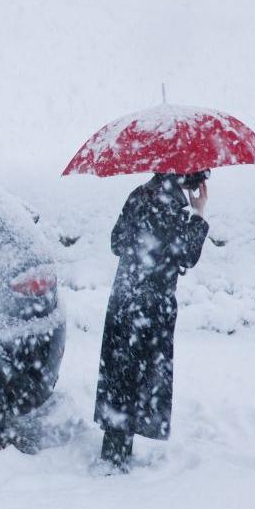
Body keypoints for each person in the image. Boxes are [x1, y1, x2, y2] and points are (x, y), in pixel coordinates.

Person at [93, 169, 210, 473]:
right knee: (141, 376)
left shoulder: (139, 194)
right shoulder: (170, 205)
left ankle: (115, 448)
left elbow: (117, 242)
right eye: (198, 176)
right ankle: (116, 458)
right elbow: (185, 255)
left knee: (121, 373)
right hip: (151, 304)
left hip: (124, 298)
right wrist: (197, 215)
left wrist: (142, 250)